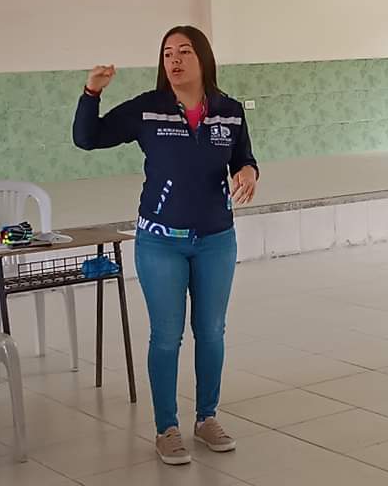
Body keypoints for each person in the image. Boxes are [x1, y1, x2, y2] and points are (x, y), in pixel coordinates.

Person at [73, 25, 258, 465]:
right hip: (160, 242)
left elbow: (243, 157)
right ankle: (167, 428)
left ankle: (207, 418)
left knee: (211, 332)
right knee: (166, 336)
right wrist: (91, 92)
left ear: (203, 58)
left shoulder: (229, 112)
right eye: (168, 53)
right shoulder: (148, 109)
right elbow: (87, 138)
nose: (174, 60)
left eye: (184, 52)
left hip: (216, 240)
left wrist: (249, 172)